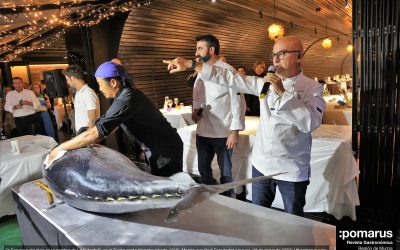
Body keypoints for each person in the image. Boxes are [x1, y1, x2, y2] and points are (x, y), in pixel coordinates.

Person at [163, 36, 326, 216]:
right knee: (258, 216)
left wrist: (283, 93)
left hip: (291, 168)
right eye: (274, 55)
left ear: (299, 56)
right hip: (261, 164)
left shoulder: (312, 87)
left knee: (294, 221)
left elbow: (310, 122)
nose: (276, 59)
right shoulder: (265, 84)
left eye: (282, 54)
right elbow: (229, 78)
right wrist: (191, 64)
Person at [48, 61, 183, 177]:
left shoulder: (127, 99)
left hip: (165, 150)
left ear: (113, 82)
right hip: (160, 147)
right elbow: (108, 125)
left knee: (169, 190)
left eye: (100, 84)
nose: (100, 89)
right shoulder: (126, 95)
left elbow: (95, 133)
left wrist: (59, 148)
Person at [191, 34, 244, 197]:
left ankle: (230, 205)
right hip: (203, 132)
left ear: (211, 50)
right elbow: (198, 97)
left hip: (223, 133)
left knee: (226, 175)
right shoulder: (200, 71)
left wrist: (235, 130)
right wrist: (196, 111)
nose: (196, 53)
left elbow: (238, 102)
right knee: (204, 171)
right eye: (196, 49)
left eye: (200, 48)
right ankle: (210, 203)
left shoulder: (227, 70)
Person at [62, 65, 100, 135]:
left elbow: (92, 118)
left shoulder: (88, 93)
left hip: (87, 135)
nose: (67, 82)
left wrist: (87, 136)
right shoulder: (78, 93)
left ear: (73, 78)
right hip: (80, 133)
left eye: (67, 79)